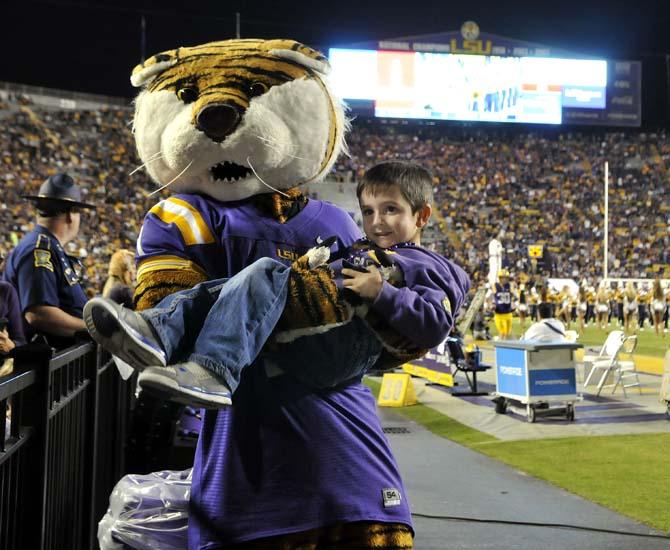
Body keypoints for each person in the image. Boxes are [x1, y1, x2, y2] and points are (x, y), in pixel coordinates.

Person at [84, 161, 470, 408]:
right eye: (368, 212)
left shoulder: (429, 264)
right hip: (321, 330)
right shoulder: (366, 246)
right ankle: (156, 331)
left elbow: (435, 324)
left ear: (422, 216)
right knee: (233, 286)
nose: (377, 222)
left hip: (348, 347)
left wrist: (382, 292)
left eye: (391, 210)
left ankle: (214, 370)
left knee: (265, 272)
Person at [2, 174, 96, 349]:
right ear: (70, 215)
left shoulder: (48, 246)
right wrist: (93, 329)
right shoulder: (39, 249)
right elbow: (39, 314)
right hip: (39, 368)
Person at [491, 268, 513, 339]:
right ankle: (499, 348)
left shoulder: (509, 285)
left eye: (506, 278)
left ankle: (505, 348)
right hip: (499, 313)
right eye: (503, 278)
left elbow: (513, 295)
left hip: (508, 313)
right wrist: (492, 304)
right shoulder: (495, 286)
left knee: (507, 333)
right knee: (502, 332)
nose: (505, 279)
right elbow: (490, 297)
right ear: (500, 278)